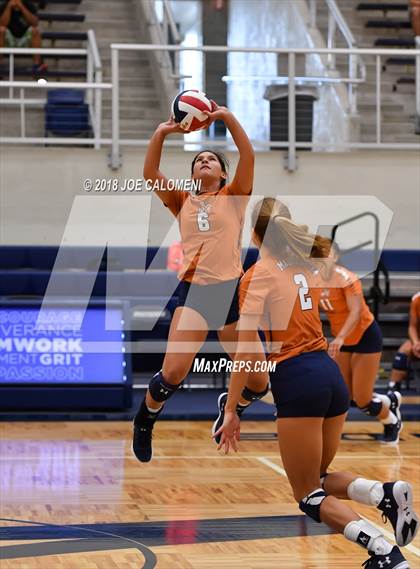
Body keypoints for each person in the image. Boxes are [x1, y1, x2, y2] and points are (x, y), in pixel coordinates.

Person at [215, 197, 418, 569]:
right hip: (328, 373)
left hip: (298, 378)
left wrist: (232, 409)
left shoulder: (258, 275)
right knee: (319, 477)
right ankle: (383, 492)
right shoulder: (305, 268)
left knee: (308, 494)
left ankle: (382, 550)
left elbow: (246, 349)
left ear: (255, 235)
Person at [132, 105, 269, 463]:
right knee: (173, 373)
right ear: (193, 173)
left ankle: (232, 403)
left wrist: (225, 117)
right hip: (194, 293)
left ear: (224, 174)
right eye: (198, 160)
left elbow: (248, 153)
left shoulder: (234, 197)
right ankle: (146, 419)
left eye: (212, 159)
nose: (204, 161)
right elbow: (149, 173)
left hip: (230, 295)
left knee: (259, 383)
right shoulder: (182, 200)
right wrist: (162, 133)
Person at [318, 244, 402, 444]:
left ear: (335, 255)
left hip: (365, 335)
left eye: (324, 252)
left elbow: (355, 312)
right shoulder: (312, 279)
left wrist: (339, 338)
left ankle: (392, 422)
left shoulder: (346, 278)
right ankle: (389, 400)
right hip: (342, 338)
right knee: (345, 396)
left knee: (363, 400)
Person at [0, 0, 47, 75]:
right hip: (9, 39)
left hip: (25, 39)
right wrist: (8, 7)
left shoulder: (28, 4)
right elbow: (2, 24)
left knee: (35, 31)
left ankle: (37, 64)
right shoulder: (4, 5)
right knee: (1, 30)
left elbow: (34, 23)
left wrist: (21, 7)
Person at [388, 291, 420, 391]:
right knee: (403, 353)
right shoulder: (417, 299)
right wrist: (415, 343)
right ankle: (393, 389)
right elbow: (412, 327)